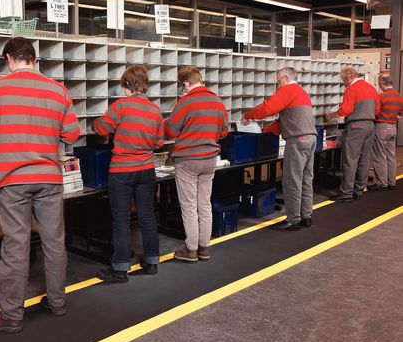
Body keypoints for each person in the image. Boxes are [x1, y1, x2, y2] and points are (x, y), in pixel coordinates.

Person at [0, 37, 80, 333]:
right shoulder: (58, 90)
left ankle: (12, 315)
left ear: (8, 59)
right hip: (49, 177)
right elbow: (72, 134)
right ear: (34, 59)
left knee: (16, 245)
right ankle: (57, 302)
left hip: (12, 178)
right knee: (54, 241)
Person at [92, 65, 163, 283]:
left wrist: (99, 120)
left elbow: (100, 129)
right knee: (147, 216)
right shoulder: (155, 110)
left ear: (127, 85)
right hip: (146, 170)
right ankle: (152, 262)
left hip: (122, 171)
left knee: (121, 219)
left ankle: (120, 270)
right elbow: (159, 143)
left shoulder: (120, 106)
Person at [165, 66, 229, 263]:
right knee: (205, 204)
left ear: (186, 83)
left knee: (189, 206)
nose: (182, 90)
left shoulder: (185, 102)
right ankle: (204, 248)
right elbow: (224, 132)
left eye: (182, 86)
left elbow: (170, 131)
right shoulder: (217, 101)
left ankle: (191, 250)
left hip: (188, 160)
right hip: (210, 160)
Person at [242, 67, 317, 231]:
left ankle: (293, 219)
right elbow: (285, 120)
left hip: (298, 139)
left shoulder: (288, 90)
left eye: (278, 81)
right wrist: (266, 132)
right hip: (310, 138)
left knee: (292, 180)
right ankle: (306, 216)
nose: (278, 85)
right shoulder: (302, 92)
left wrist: (249, 115)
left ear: (285, 77)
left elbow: (268, 108)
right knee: (306, 179)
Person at [325, 66, 379, 202]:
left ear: (349, 76)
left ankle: (346, 193)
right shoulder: (371, 88)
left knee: (350, 160)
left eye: (343, 80)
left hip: (356, 126)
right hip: (370, 125)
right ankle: (359, 190)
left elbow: (346, 109)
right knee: (364, 159)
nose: (344, 83)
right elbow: (377, 109)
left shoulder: (352, 88)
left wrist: (332, 115)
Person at [368, 74, 403, 191]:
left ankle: (382, 183)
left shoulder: (381, 96)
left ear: (382, 84)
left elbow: (376, 111)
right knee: (391, 156)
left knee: (379, 155)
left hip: (382, 126)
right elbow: (401, 113)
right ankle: (391, 182)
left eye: (379, 84)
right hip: (393, 127)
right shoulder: (399, 96)